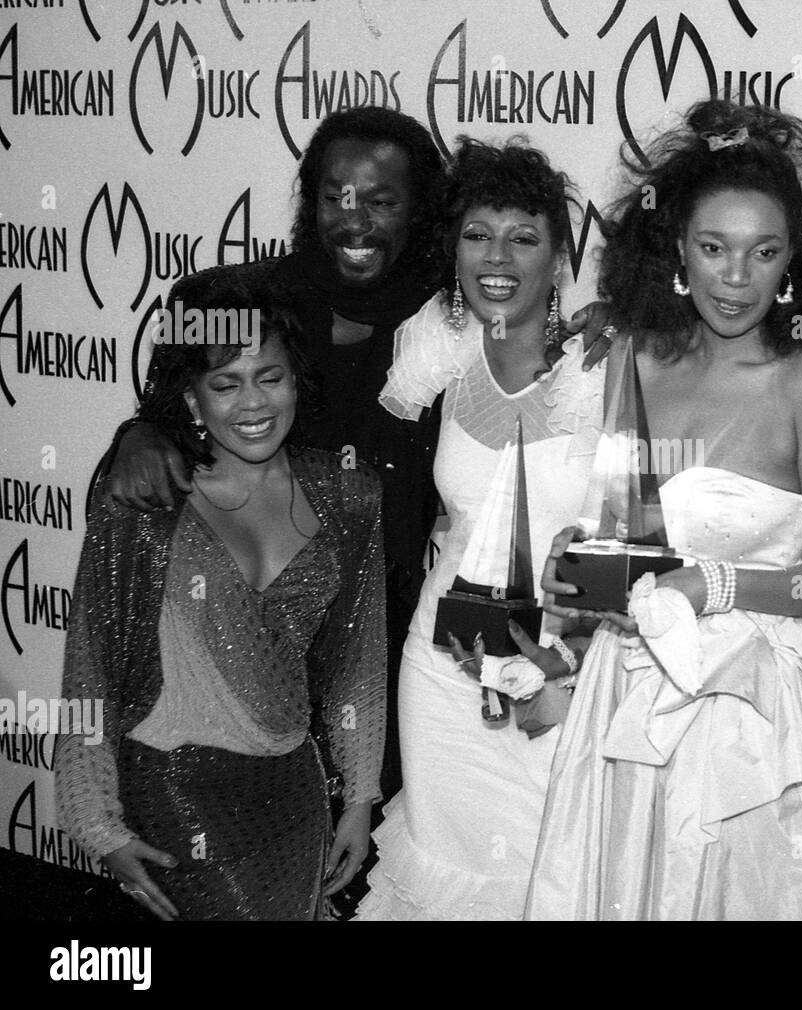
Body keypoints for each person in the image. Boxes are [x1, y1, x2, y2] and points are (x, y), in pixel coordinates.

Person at [526, 99, 802, 920]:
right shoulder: (634, 363)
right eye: (714, 249)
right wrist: (574, 571)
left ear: (791, 262)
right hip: (629, 694)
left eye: (763, 253)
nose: (737, 278)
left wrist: (714, 587)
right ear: (677, 248)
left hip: (759, 715)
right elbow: (621, 538)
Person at [105, 107, 447, 807]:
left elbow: (532, 345)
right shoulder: (242, 301)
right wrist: (135, 434)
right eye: (335, 197)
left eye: (382, 201)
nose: (355, 221)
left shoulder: (449, 314)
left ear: (418, 211)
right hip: (253, 632)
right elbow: (175, 407)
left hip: (383, 638)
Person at [54, 275, 386, 920]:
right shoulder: (145, 503)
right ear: (191, 396)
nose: (252, 403)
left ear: (298, 381)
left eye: (270, 376)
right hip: (174, 794)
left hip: (294, 795)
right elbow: (89, 672)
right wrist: (97, 823)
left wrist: (360, 798)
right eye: (226, 383)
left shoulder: (350, 495)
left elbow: (357, 663)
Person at [353, 137, 605, 921]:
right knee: (439, 879)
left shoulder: (607, 362)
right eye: (476, 234)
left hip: (566, 675)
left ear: (559, 257)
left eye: (523, 237)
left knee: (554, 884)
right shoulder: (439, 340)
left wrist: (568, 670)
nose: (496, 257)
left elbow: (638, 538)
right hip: (442, 669)